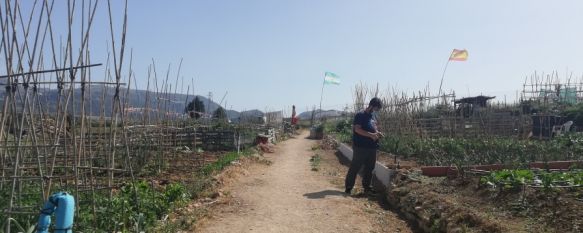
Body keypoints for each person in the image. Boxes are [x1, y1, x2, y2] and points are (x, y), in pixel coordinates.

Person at [345, 97, 384, 195]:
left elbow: (373, 128)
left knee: (369, 168)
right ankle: (349, 187)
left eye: (378, 110)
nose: (376, 111)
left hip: (372, 147)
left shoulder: (372, 117)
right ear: (371, 106)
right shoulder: (360, 115)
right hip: (361, 147)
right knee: (355, 166)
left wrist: (378, 133)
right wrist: (371, 135)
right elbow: (357, 129)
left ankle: (367, 187)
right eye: (376, 109)